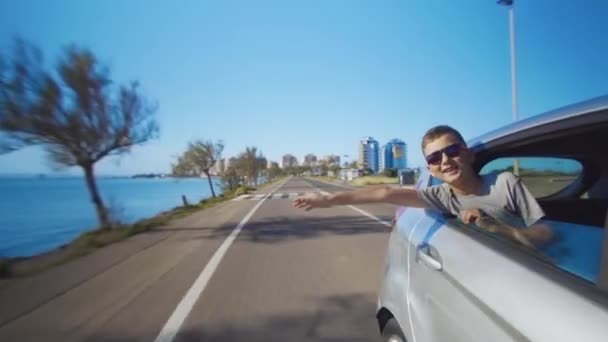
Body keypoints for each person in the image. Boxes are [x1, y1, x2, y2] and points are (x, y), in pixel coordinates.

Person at [293, 125, 553, 248]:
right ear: (430, 169)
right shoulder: (441, 197)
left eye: (452, 150)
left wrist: (498, 228)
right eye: (434, 158)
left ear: (469, 154)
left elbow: (546, 234)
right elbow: (385, 193)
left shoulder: (505, 182)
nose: (445, 160)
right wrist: (327, 201)